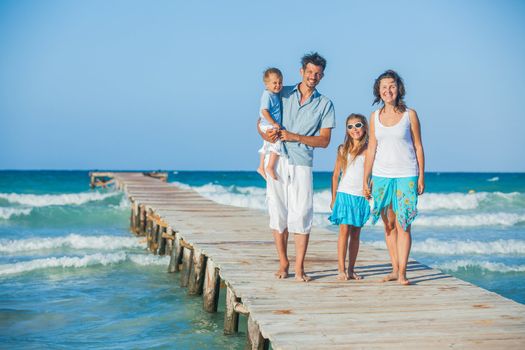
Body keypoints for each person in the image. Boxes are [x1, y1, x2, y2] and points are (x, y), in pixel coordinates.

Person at [258, 52, 335, 282]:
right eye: (309, 72)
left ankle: (300, 267)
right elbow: (259, 122)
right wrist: (266, 134)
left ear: (322, 76)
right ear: (302, 71)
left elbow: (324, 141)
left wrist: (294, 136)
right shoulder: (281, 92)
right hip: (278, 159)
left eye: (317, 73)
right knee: (277, 211)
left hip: (302, 162)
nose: (313, 76)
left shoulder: (325, 104)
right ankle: (284, 262)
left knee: (301, 214)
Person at [363, 70, 425, 285]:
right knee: (388, 225)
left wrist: (421, 176)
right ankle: (394, 268)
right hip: (381, 176)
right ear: (378, 92)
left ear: (399, 88)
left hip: (406, 174)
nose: (388, 90)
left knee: (403, 224)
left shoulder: (410, 115)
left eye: (391, 86)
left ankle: (403, 273)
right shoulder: (375, 117)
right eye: (383, 87)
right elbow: (371, 148)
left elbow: (418, 146)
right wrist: (366, 178)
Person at [329, 113, 370, 280]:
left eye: (358, 125)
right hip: (344, 194)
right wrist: (333, 198)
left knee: (356, 233)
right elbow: (335, 175)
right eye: (350, 126)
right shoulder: (342, 149)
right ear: (346, 130)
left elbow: (373, 174)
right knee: (344, 230)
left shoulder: (370, 149)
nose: (354, 129)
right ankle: (341, 269)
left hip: (360, 196)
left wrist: (370, 188)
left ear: (365, 127)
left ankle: (351, 269)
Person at [257, 68, 283, 180]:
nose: (278, 85)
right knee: (277, 141)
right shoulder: (267, 95)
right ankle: (270, 167)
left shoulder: (274, 94)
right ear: (266, 84)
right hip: (267, 124)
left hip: (266, 124)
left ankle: (261, 167)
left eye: (280, 82)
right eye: (274, 83)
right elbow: (264, 111)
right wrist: (274, 123)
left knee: (266, 145)